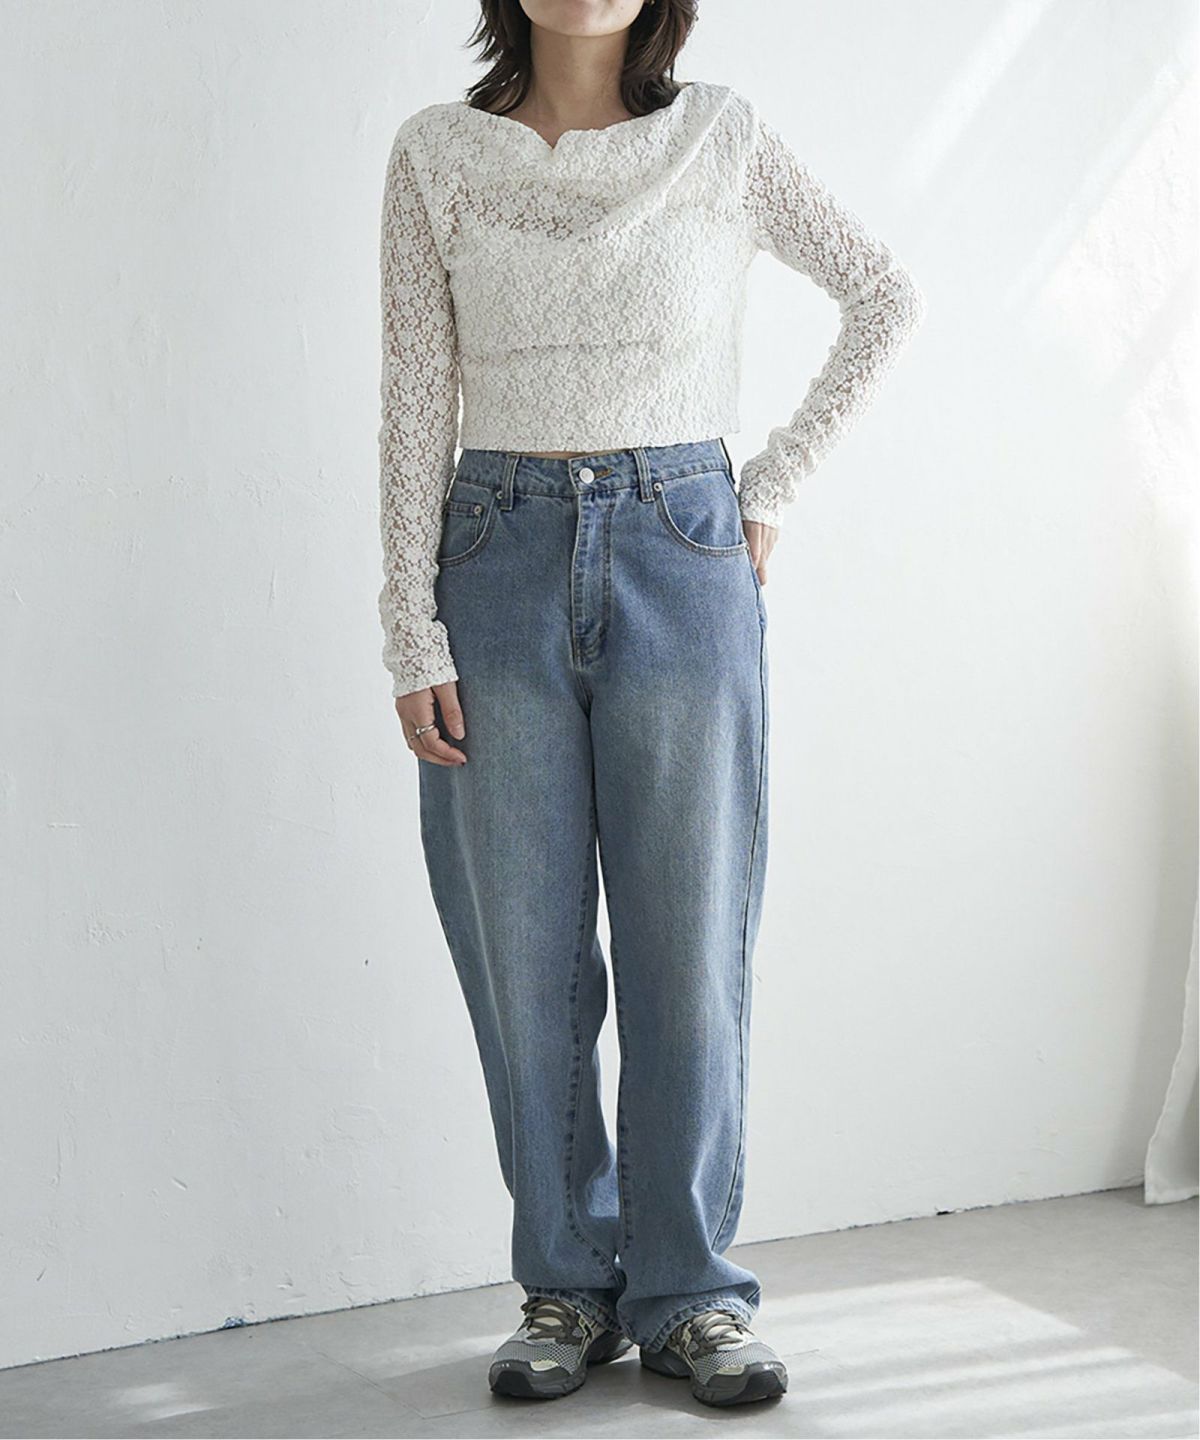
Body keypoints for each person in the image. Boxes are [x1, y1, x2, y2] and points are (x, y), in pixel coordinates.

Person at [377, 0, 925, 1410]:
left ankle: (689, 1292)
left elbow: (883, 296)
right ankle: (568, 1281)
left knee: (690, 941)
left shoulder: (722, 139)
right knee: (525, 954)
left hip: (683, 549)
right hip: (491, 559)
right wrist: (407, 624)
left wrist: (772, 488)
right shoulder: (438, 154)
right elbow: (417, 394)